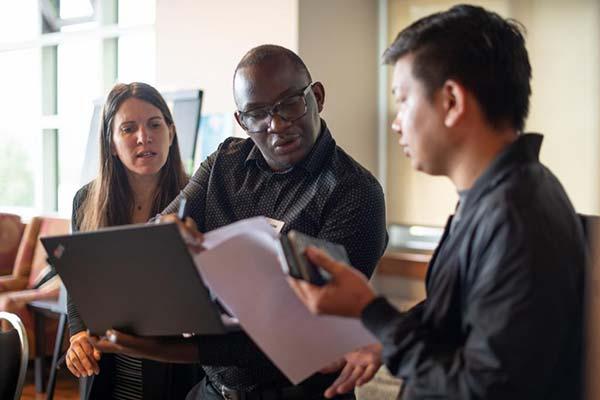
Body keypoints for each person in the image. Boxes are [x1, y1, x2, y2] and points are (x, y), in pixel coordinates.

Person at [288, 5, 585, 400]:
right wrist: (383, 335)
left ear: (451, 101)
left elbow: (483, 388)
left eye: (404, 100)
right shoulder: (496, 197)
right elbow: (465, 319)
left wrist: (372, 311)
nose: (396, 122)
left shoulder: (517, 218)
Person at [91, 45, 388, 400]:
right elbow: (162, 228)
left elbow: (305, 333)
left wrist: (165, 351)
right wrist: (167, 234)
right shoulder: (223, 163)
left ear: (317, 97)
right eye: (257, 114)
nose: (276, 125)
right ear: (241, 121)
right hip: (214, 390)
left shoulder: (355, 192)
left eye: (289, 104)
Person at [65, 82, 200, 399]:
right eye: (128, 129)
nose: (144, 137)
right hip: (107, 368)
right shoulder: (86, 200)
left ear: (171, 131)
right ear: (111, 143)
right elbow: (78, 282)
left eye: (155, 124)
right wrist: (77, 337)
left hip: (175, 372)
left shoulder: (196, 198)